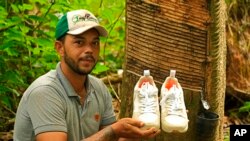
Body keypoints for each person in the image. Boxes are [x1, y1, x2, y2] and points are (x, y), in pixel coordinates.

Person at [13, 9, 160, 141]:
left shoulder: (98, 88)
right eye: (79, 42)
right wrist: (114, 130)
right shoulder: (45, 92)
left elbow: (108, 138)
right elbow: (110, 133)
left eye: (94, 43)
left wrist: (137, 133)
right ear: (60, 48)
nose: (89, 50)